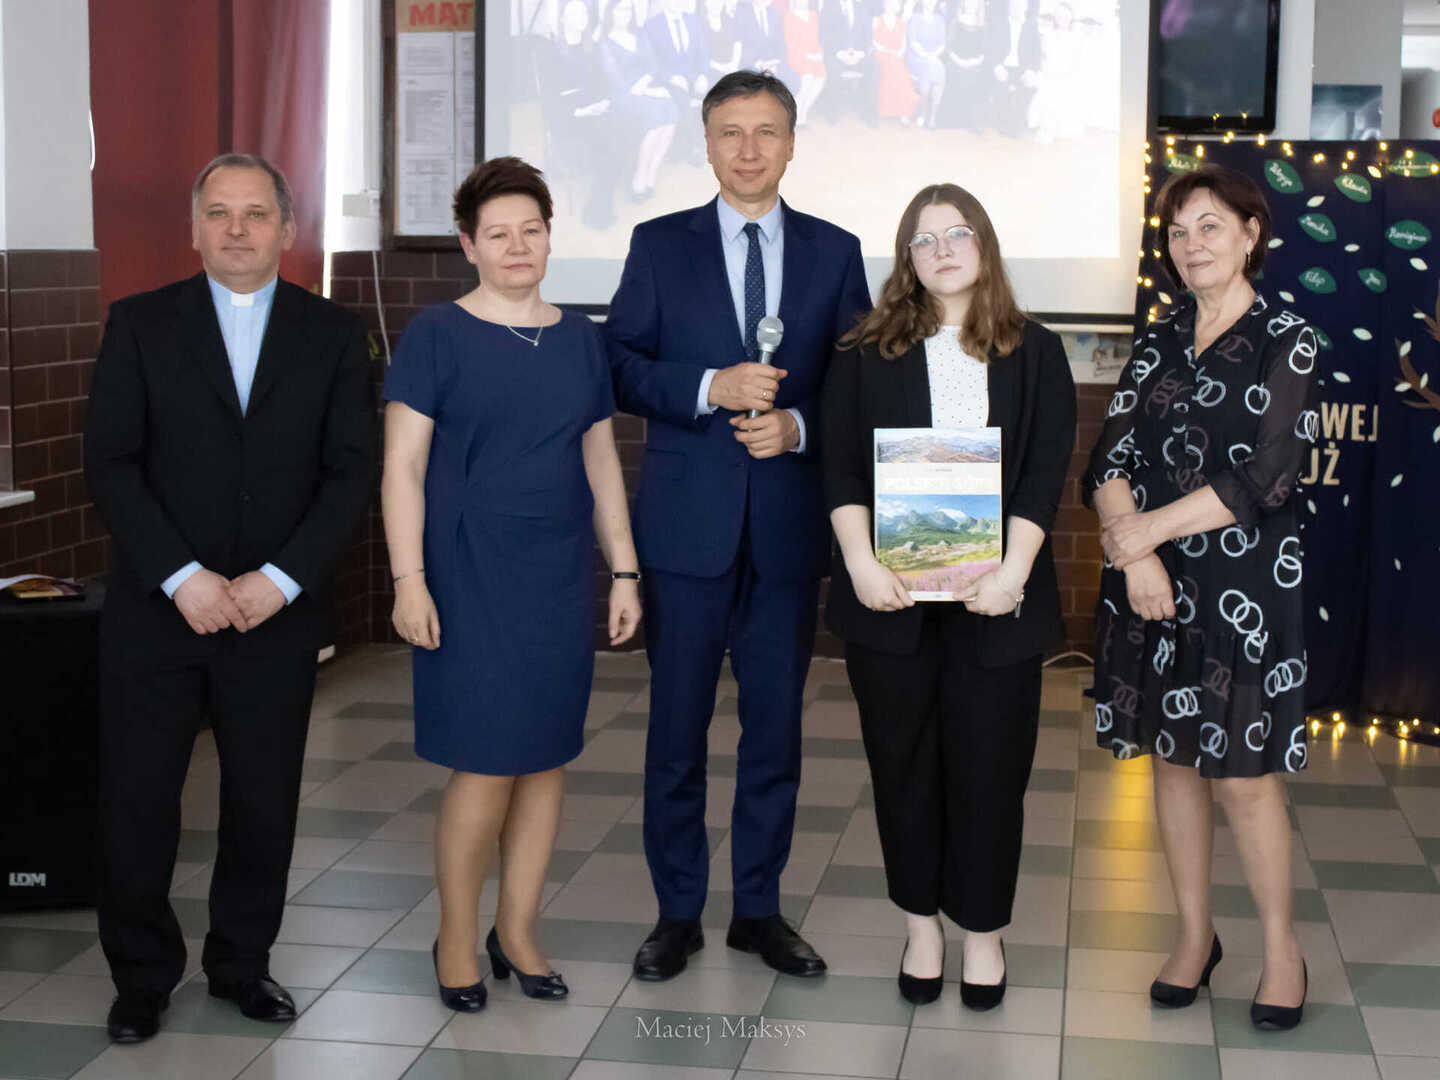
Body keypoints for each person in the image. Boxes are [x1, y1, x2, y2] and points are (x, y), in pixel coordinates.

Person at [84, 154, 375, 1044]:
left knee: (262, 799)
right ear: (195, 228)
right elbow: (111, 463)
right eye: (219, 213)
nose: (237, 229)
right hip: (158, 610)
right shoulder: (140, 323)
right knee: (138, 800)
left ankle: (242, 965)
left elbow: (350, 471)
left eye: (255, 213)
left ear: (288, 228)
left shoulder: (333, 332)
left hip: (273, 616)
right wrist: (183, 576)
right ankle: (141, 978)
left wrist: (280, 581)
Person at [604, 70, 870, 982]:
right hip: (685, 532)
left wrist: (798, 428)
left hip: (788, 532)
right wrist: (706, 388)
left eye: (765, 132)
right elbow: (619, 363)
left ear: (792, 144)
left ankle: (758, 909)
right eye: (730, 132)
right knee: (675, 733)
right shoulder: (659, 244)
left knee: (775, 735)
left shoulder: (836, 251)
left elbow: (857, 386)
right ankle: (677, 912)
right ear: (708, 144)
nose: (748, 149)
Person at [381, 157, 642, 1012]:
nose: (518, 246)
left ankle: (518, 929)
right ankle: (456, 937)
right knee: (486, 762)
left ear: (550, 237)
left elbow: (599, 458)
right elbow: (402, 467)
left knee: (545, 757)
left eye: (531, 230)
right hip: (467, 571)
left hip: (557, 571)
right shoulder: (437, 335)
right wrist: (408, 580)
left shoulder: (581, 338)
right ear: (469, 245)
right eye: (498, 233)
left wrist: (623, 569)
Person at [821, 183, 1075, 1008]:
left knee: (991, 773)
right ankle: (921, 927)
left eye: (956, 233)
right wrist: (861, 563)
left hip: (998, 604)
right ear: (907, 259)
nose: (941, 250)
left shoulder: (1035, 351)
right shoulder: (864, 351)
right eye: (923, 240)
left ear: (984, 244)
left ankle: (984, 932)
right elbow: (840, 468)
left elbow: (1044, 474)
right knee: (903, 769)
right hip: (890, 601)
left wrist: (1013, 573)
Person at [1085, 164, 1317, 1031]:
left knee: (1245, 779)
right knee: (1174, 765)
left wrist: (1145, 533)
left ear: (1252, 234)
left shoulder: (1287, 339)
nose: (1191, 246)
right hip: (1152, 591)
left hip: (1244, 586)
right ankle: (1194, 935)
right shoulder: (1158, 337)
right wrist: (1137, 556)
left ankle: (1283, 950)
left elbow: (1266, 476)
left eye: (1210, 226)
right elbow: (1107, 458)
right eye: (1179, 232)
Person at [599, 0, 679, 202]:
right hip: (623, 94)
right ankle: (640, 173)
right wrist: (648, 91)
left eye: (628, 9)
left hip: (646, 87)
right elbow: (615, 79)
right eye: (620, 9)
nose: (624, 13)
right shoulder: (605, 42)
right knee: (657, 116)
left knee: (672, 110)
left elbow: (653, 66)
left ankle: (652, 171)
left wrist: (648, 86)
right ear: (611, 13)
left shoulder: (640, 35)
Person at [820, 0, 874, 125]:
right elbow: (823, 35)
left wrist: (861, 53)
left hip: (858, 55)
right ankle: (832, 111)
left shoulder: (860, 6)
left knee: (873, 66)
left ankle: (869, 112)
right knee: (833, 68)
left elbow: (867, 34)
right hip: (837, 54)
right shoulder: (829, 6)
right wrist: (838, 53)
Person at [937, 0, 987, 130]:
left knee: (978, 79)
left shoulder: (983, 25)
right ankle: (950, 121)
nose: (971, 5)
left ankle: (972, 122)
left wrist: (974, 62)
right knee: (955, 76)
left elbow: (985, 49)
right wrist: (960, 62)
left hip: (975, 63)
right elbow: (948, 47)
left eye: (974, 3)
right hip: (956, 61)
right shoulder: (955, 22)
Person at [873, 0, 918, 123]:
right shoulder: (877, 20)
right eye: (889, 4)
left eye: (895, 4)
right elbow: (873, 41)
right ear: (884, 5)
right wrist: (884, 50)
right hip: (881, 54)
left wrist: (899, 52)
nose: (892, 7)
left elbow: (903, 43)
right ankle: (894, 110)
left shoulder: (901, 23)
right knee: (896, 70)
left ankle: (903, 110)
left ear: (898, 7)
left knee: (899, 71)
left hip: (896, 56)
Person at [782, 0, 826, 126]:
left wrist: (819, 53)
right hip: (797, 56)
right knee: (808, 77)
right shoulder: (789, 17)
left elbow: (816, 39)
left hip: (813, 55)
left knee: (821, 77)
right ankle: (796, 115)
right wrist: (807, 55)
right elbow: (790, 43)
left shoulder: (814, 15)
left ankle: (803, 111)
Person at [906, 0, 946, 128]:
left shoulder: (940, 20)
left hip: (934, 57)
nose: (930, 2)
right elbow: (913, 42)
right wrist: (926, 56)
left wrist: (933, 56)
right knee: (929, 68)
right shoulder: (915, 18)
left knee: (939, 69)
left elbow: (942, 44)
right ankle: (923, 110)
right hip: (917, 57)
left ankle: (932, 115)